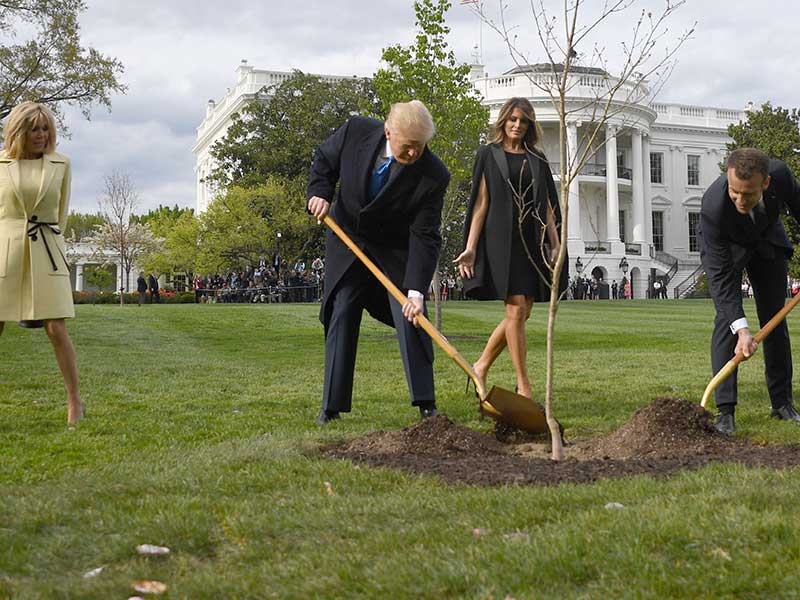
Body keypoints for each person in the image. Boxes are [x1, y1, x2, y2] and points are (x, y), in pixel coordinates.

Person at [306, 100, 449, 424]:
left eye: (420, 147)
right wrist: (320, 193)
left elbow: (425, 234)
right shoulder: (356, 131)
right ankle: (331, 406)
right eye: (408, 146)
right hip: (348, 238)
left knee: (412, 316)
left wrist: (415, 291)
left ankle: (427, 404)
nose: (414, 154)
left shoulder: (434, 175)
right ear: (388, 132)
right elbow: (324, 160)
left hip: (394, 247)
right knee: (342, 309)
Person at [453, 97, 565, 399]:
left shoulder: (537, 158)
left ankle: (480, 365)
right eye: (513, 119)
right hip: (501, 240)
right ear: (503, 120)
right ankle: (524, 385)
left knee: (523, 312)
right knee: (515, 309)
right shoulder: (489, 155)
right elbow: (480, 204)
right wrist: (471, 247)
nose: (517, 125)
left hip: (531, 239)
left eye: (523, 121)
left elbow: (548, 206)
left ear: (529, 125)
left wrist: (555, 245)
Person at [699, 148, 800, 435]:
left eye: (749, 194)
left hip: (767, 242)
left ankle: (782, 403)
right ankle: (725, 412)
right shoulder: (713, 207)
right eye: (735, 192)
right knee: (727, 321)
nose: (740, 200)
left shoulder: (780, 175)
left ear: (766, 183)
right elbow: (719, 278)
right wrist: (743, 330)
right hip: (729, 249)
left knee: (775, 318)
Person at [0, 101, 83, 424]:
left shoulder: (61, 164)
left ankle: (74, 400)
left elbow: (60, 213)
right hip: (6, 250)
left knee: (55, 328)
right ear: (19, 131)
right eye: (34, 128)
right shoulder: (1, 163)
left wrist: (52, 241)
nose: (41, 134)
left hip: (47, 248)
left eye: (45, 128)